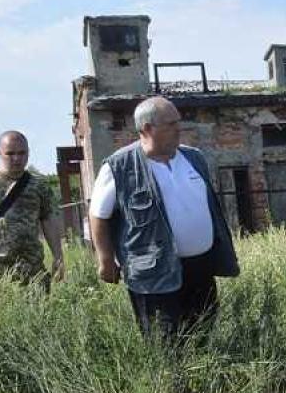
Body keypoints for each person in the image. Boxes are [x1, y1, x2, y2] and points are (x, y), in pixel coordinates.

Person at [89, 96, 239, 339]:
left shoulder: (194, 158)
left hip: (199, 267)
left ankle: (201, 376)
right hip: (154, 273)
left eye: (178, 122)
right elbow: (98, 215)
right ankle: (171, 378)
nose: (179, 129)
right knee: (164, 339)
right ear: (147, 129)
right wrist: (105, 260)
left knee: (203, 332)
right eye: (171, 124)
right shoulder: (119, 166)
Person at [0, 131, 64, 288]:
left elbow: (48, 220)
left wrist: (58, 257)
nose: (17, 159)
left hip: (32, 270)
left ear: (28, 152)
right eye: (10, 153)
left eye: (21, 153)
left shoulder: (39, 185)